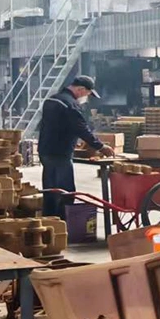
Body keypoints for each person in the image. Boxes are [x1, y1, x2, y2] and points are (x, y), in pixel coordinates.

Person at [38, 76, 113, 218]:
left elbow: (57, 126)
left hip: (45, 151)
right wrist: (101, 146)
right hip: (60, 154)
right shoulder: (70, 104)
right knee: (66, 192)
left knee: (50, 191)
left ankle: (49, 224)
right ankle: (63, 225)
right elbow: (81, 129)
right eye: (87, 94)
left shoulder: (52, 99)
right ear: (80, 89)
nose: (86, 97)